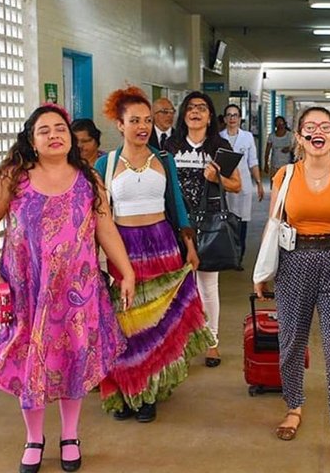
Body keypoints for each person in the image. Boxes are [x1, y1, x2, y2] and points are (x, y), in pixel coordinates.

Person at [0, 104, 134, 472]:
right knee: (30, 361)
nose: (54, 135)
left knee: (73, 360)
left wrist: (125, 270)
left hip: (76, 293)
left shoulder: (88, 180)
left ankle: (70, 434)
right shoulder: (13, 178)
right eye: (44, 130)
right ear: (32, 141)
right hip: (28, 292)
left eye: (60, 128)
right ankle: (34, 437)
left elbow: (105, 227)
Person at [253, 106, 330, 468]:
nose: (317, 132)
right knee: (290, 343)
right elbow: (273, 226)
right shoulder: (285, 175)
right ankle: (294, 406)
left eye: (325, 127)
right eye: (309, 127)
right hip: (294, 263)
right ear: (300, 137)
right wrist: (261, 271)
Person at [94, 86, 213, 424]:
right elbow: (100, 216)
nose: (142, 126)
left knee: (157, 324)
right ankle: (125, 392)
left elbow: (176, 205)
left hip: (162, 245)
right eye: (134, 121)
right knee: (126, 323)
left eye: (147, 120)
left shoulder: (164, 160)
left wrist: (189, 245)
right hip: (124, 249)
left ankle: (148, 394)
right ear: (119, 124)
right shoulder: (106, 163)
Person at [168, 91, 241, 367]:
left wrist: (217, 176)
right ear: (183, 114)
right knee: (178, 286)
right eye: (190, 108)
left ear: (211, 117)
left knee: (208, 286)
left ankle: (212, 342)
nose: (195, 112)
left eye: (202, 108)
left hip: (209, 223)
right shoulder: (171, 146)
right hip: (176, 222)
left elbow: (236, 185)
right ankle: (180, 342)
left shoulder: (219, 146)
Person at [219, 104, 264, 270]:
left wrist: (259, 183)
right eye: (229, 115)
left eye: (235, 115)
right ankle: (228, 256)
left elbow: (253, 161)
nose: (232, 118)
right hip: (225, 185)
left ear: (239, 119)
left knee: (242, 222)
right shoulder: (219, 138)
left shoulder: (247, 137)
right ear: (224, 119)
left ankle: (239, 256)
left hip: (244, 184)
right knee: (226, 222)